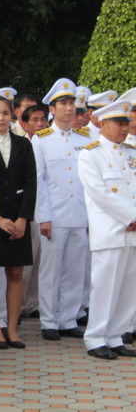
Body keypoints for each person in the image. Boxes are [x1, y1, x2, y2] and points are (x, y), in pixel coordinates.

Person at [32, 78, 90, 341]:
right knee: (51, 270)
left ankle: (68, 318)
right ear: (52, 109)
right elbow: (39, 181)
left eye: (71, 103)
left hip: (80, 214)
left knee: (76, 270)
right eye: (63, 104)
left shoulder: (85, 139)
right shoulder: (42, 140)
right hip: (53, 215)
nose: (69, 108)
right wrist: (43, 216)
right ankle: (49, 321)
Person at [78, 99, 136, 360]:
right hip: (110, 230)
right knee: (104, 287)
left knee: (128, 288)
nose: (124, 128)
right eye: (118, 123)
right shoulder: (90, 154)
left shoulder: (131, 152)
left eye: (126, 122)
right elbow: (100, 194)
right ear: (102, 124)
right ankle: (95, 337)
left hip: (132, 233)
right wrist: (131, 217)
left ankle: (115, 336)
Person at [0, 96, 36, 350]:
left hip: (18, 218)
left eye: (5, 113)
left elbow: (31, 183)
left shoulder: (23, 144)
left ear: (12, 114)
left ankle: (12, 328)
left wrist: (23, 218)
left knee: (15, 272)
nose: (1, 118)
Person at [18, 104, 49, 320]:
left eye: (43, 119)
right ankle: (17, 304)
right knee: (25, 262)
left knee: (39, 260)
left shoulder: (49, 143)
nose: (40, 124)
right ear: (25, 124)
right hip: (27, 208)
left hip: (45, 209)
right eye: (35, 120)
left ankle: (32, 303)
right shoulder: (21, 145)